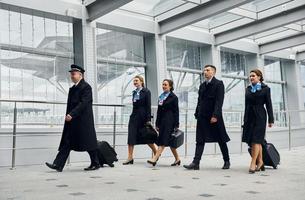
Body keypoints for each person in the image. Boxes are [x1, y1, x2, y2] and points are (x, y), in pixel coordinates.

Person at [45, 64, 100, 172]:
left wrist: (72, 114)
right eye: (71, 74)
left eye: (74, 74)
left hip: (83, 121)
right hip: (73, 121)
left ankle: (96, 162)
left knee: (88, 143)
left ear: (80, 75)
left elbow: (83, 103)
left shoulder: (86, 87)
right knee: (68, 142)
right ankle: (58, 165)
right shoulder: (73, 88)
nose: (72, 76)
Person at [183, 65, 231, 170]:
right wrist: (197, 113)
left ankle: (227, 161)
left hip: (214, 117)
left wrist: (215, 115)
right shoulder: (202, 85)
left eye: (207, 70)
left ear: (213, 72)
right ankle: (196, 163)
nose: (205, 72)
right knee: (200, 139)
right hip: (202, 116)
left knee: (221, 139)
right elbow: (199, 101)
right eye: (204, 70)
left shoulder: (219, 84)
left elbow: (219, 101)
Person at [242, 69, 274, 174]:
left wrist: (271, 119)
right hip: (250, 116)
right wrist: (245, 119)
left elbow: (269, 104)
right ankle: (260, 162)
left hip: (260, 115)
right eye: (250, 76)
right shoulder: (248, 89)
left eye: (253, 76)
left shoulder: (265, 89)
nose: (251, 78)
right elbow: (246, 105)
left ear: (259, 77)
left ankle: (253, 162)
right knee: (255, 140)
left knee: (256, 139)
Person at [123, 75, 157, 165]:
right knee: (131, 136)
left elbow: (148, 106)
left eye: (136, 81)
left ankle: (156, 153)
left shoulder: (146, 91)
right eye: (134, 81)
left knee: (146, 136)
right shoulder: (134, 92)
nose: (135, 82)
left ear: (141, 81)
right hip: (134, 116)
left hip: (143, 117)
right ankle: (130, 157)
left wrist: (148, 119)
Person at [147, 79, 180, 166]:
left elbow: (176, 111)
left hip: (170, 121)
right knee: (170, 142)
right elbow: (159, 111)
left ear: (170, 86)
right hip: (162, 122)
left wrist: (176, 124)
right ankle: (177, 159)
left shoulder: (174, 97)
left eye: (165, 85)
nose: (163, 86)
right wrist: (157, 123)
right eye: (163, 84)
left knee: (163, 140)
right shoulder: (161, 96)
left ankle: (155, 158)